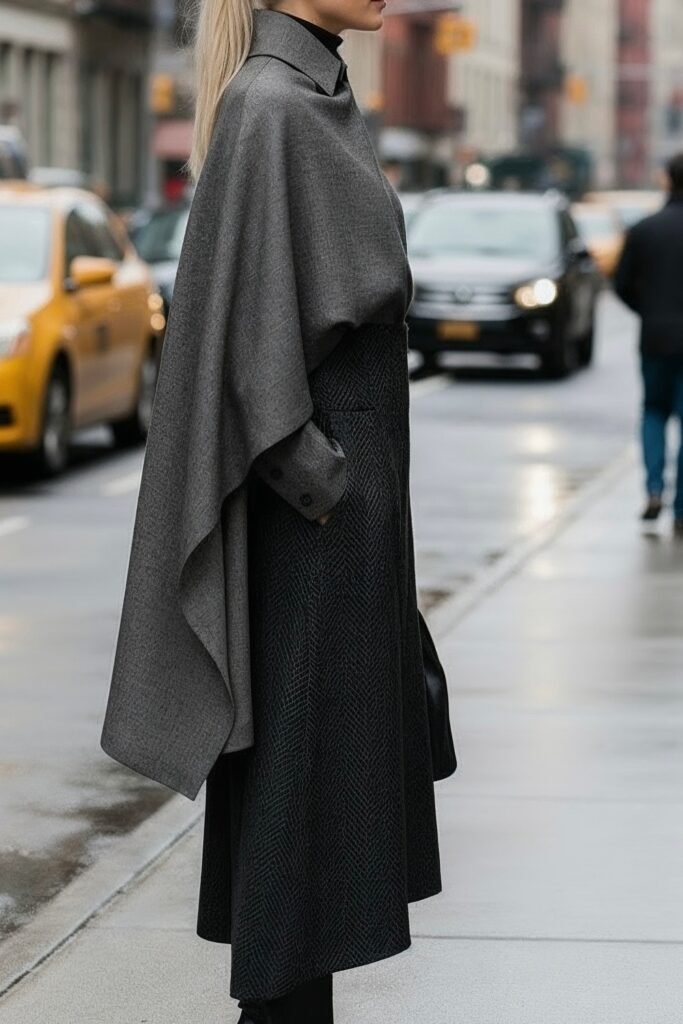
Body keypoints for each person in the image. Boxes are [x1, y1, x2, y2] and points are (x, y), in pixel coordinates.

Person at [99, 2, 453, 1022]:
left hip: (346, 515)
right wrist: (329, 483)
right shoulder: (271, 106)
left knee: (320, 833)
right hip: (319, 527)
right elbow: (238, 351)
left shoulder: (313, 96)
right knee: (303, 832)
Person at [615, 153, 683, 535]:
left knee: (654, 412)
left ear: (666, 180)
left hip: (655, 337)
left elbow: (622, 284)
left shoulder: (645, 230)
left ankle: (654, 489)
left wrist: (649, 310)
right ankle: (682, 507)